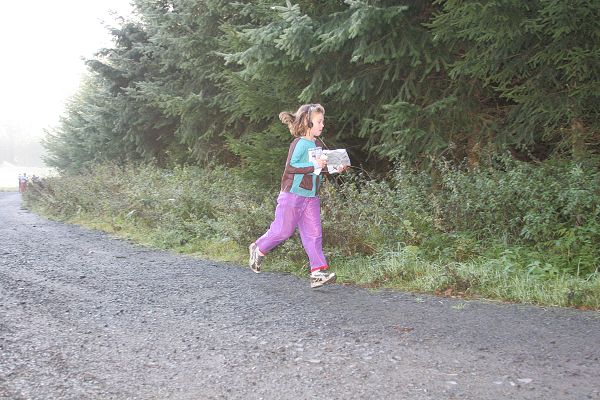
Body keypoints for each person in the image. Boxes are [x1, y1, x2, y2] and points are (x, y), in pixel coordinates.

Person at [248, 103, 349, 288]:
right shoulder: (299, 143)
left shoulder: (317, 144)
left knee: (314, 234)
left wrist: (337, 167)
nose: (323, 125)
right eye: (319, 121)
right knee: (282, 231)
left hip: (311, 196)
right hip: (292, 195)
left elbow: (320, 168)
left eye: (323, 121)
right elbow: (291, 167)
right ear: (307, 122)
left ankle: (317, 273)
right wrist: (315, 165)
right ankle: (258, 248)